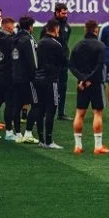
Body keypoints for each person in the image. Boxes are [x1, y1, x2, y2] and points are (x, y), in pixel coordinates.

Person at [70, 20, 109, 154]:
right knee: (97, 113)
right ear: (96, 30)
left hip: (81, 84)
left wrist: (82, 79)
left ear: (85, 29)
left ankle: (78, 146)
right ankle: (98, 146)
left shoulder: (77, 45)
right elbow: (100, 66)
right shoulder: (101, 46)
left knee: (79, 113)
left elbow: (71, 66)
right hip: (95, 83)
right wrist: (89, 79)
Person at [34, 19, 66, 149]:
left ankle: (41, 139)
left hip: (38, 78)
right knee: (51, 109)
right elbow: (63, 62)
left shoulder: (39, 43)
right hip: (51, 79)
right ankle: (49, 140)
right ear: (56, 28)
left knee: (40, 109)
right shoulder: (56, 44)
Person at [41, 3, 72, 121]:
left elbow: (64, 45)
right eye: (63, 13)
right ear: (57, 12)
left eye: (66, 13)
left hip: (62, 62)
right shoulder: (48, 28)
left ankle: (61, 112)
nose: (65, 15)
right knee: (49, 87)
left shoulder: (67, 28)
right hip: (51, 64)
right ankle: (45, 112)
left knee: (63, 87)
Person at [12, 16, 40, 144]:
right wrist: (36, 75)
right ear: (30, 27)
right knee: (36, 104)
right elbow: (33, 60)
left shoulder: (14, 38)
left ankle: (17, 134)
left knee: (17, 105)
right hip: (28, 77)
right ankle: (28, 133)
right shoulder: (28, 39)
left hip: (15, 76)